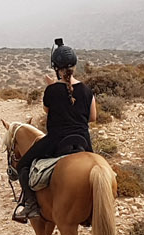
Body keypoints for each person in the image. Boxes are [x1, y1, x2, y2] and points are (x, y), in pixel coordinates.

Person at [12, 38, 97, 223]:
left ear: (55, 67)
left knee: (24, 165)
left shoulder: (51, 90)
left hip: (57, 141)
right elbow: (92, 117)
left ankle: (31, 206)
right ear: (74, 65)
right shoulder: (87, 90)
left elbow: (47, 110)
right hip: (83, 141)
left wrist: (51, 86)